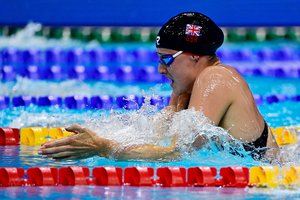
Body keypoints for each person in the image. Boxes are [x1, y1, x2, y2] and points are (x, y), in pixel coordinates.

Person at [39, 12, 279, 161]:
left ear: (194, 56)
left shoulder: (215, 78)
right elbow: (155, 137)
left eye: (167, 59)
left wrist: (103, 148)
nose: (160, 70)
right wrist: (102, 137)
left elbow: (177, 153)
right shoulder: (186, 91)